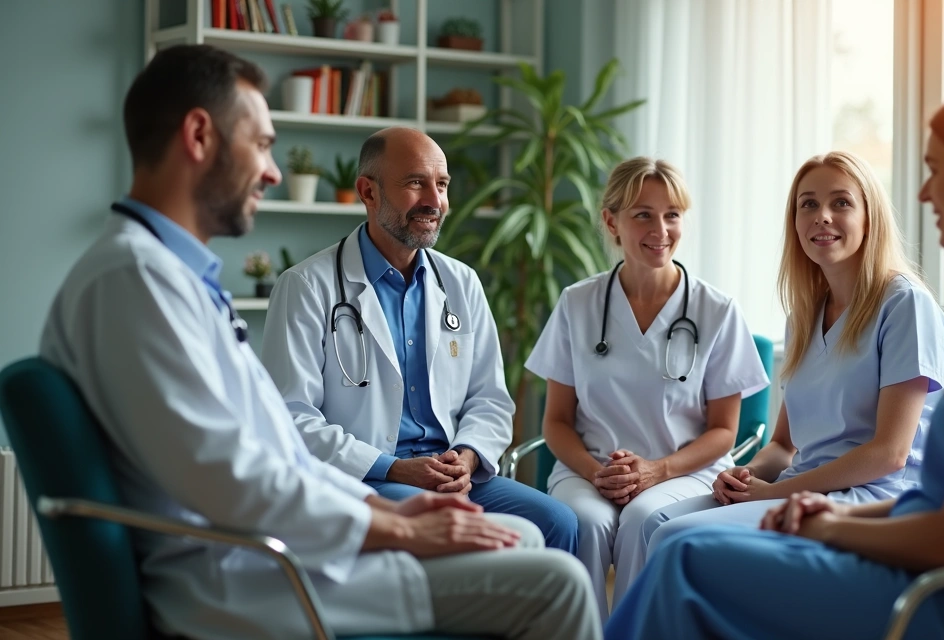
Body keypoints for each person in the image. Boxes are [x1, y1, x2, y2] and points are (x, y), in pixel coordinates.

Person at [39, 44, 599, 640]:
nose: (275, 171)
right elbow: (233, 471)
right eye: (261, 144)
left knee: (534, 534)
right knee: (552, 578)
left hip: (264, 549)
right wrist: (398, 521)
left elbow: (266, 446)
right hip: (247, 572)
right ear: (199, 135)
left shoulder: (165, 278)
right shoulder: (138, 281)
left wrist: (392, 512)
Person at [603, 80, 944, 640]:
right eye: (809, 205)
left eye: (937, 170)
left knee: (685, 557)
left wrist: (830, 526)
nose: (923, 194)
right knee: (683, 544)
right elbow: (942, 505)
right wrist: (824, 513)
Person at [260, 126, 578, 554]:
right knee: (471, 535)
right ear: (368, 192)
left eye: (442, 184)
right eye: (415, 183)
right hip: (367, 478)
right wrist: (395, 469)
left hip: (452, 473)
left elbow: (490, 399)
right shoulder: (305, 287)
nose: (435, 201)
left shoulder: (461, 282)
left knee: (559, 522)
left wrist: (466, 457)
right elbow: (292, 418)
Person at [639, 150, 944, 557]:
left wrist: (775, 492)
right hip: (799, 487)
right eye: (809, 204)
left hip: (867, 499)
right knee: (656, 521)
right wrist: (743, 476)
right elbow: (784, 446)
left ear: (869, 217)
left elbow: (889, 454)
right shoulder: (805, 316)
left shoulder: (903, 304)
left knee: (674, 539)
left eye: (841, 202)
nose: (822, 215)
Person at [523, 157, 771, 620]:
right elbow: (555, 422)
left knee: (643, 519)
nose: (661, 229)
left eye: (672, 214)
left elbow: (724, 431)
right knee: (587, 521)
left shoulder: (716, 310)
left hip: (683, 472)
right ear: (611, 221)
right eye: (643, 214)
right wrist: (598, 473)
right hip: (587, 471)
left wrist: (657, 471)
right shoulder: (578, 303)